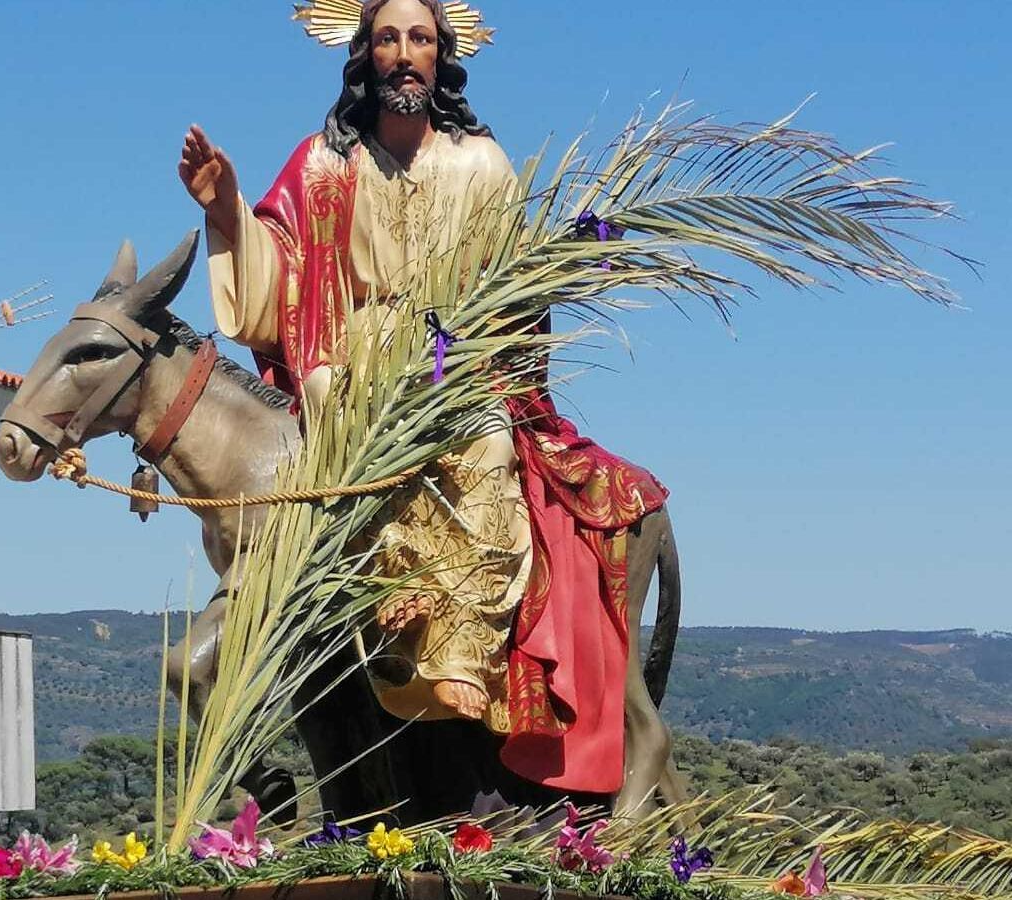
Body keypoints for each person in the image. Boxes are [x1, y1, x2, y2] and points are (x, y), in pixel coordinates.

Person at [178, 0, 666, 795]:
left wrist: (549, 274)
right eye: (387, 39)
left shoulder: (481, 165)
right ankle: (360, 609)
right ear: (364, 55)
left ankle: (459, 650)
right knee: (329, 414)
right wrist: (225, 208)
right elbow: (279, 278)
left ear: (442, 56)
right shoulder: (324, 165)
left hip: (454, 364)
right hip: (351, 366)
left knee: (486, 440)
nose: (404, 54)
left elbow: (514, 288)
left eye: (420, 40)